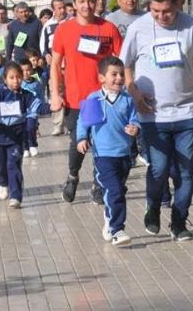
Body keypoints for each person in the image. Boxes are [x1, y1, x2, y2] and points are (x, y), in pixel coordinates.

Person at [120, 0, 193, 241]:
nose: (161, 17)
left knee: (187, 170)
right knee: (159, 168)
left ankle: (179, 221)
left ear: (176, 5)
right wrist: (134, 92)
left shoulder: (192, 26)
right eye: (155, 11)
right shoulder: (138, 28)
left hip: (186, 112)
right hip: (152, 114)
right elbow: (126, 65)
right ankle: (153, 206)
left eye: (167, 11)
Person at [49, 0, 123, 204]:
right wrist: (55, 93)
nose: (87, 6)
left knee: (102, 142)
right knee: (78, 141)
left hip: (104, 97)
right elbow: (55, 64)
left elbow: (122, 59)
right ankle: (73, 176)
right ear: (74, 4)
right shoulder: (64, 30)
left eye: (90, 1)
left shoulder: (108, 28)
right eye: (82, 1)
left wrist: (124, 88)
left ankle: (98, 184)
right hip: (77, 98)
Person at [76, 56, 140, 246]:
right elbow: (83, 121)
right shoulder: (94, 98)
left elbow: (135, 119)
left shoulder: (128, 99)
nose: (119, 78)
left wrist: (134, 127)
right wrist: (82, 138)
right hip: (103, 155)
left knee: (117, 190)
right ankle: (117, 230)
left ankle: (109, 218)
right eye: (114, 74)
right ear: (102, 78)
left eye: (121, 74)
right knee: (115, 190)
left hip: (124, 155)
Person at [0, 62, 45, 209]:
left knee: (14, 165)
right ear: (5, 79)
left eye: (18, 77)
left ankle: (16, 196)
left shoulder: (25, 95)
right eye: (12, 78)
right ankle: (2, 183)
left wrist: (50, 107)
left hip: (16, 137)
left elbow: (37, 105)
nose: (16, 81)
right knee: (1, 166)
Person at [40, 0, 67, 136]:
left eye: (63, 7)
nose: (62, 10)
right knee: (56, 92)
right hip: (55, 66)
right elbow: (42, 44)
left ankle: (71, 123)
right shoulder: (48, 25)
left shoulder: (72, 22)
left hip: (70, 65)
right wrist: (45, 54)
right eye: (59, 8)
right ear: (53, 10)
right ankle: (58, 124)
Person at [19, 58, 44, 157]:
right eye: (23, 70)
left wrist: (41, 107)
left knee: (31, 128)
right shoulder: (19, 83)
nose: (25, 73)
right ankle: (25, 147)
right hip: (21, 112)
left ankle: (32, 144)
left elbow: (40, 96)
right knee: (22, 130)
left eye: (28, 70)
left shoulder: (37, 83)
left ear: (32, 70)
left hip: (32, 112)